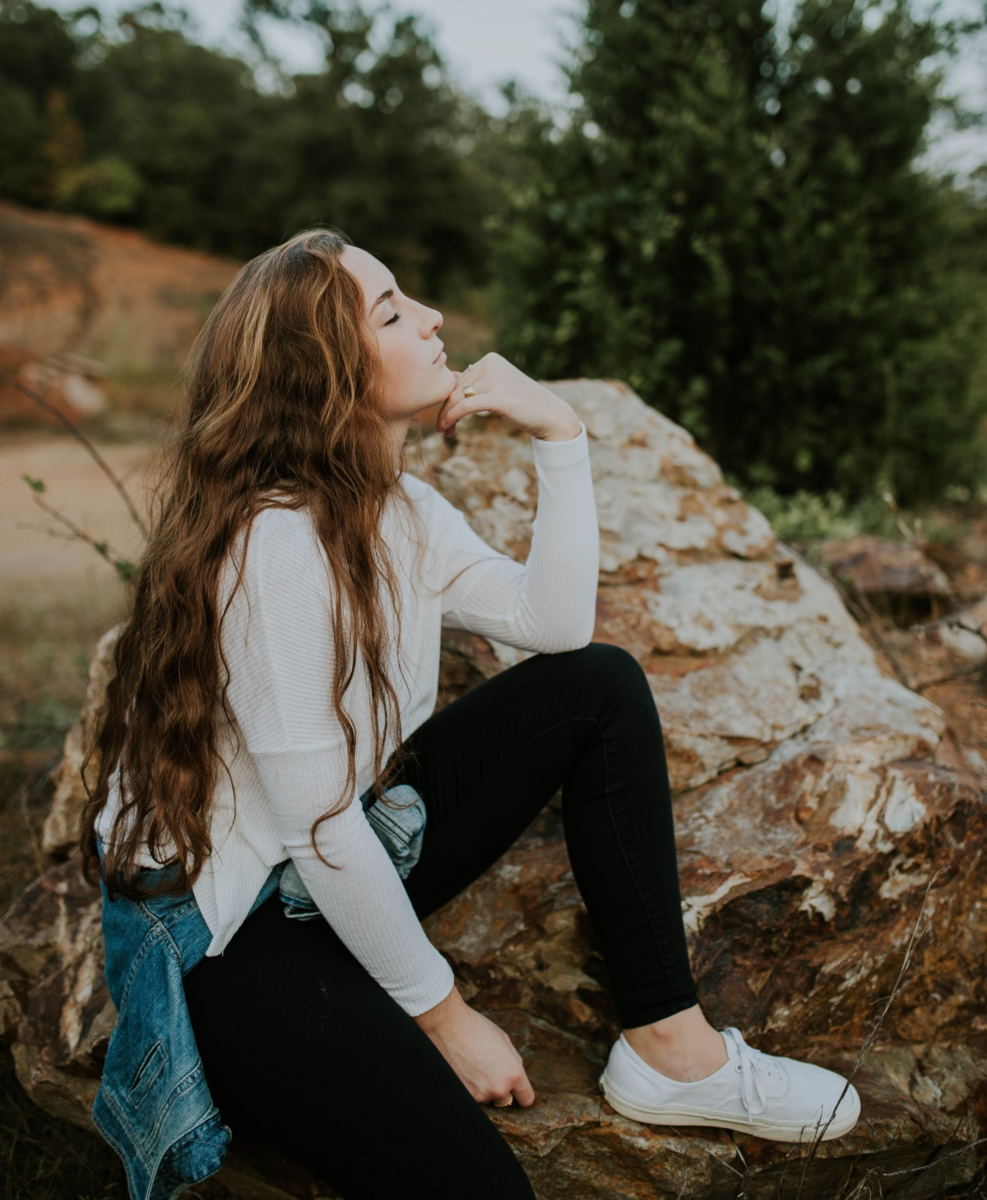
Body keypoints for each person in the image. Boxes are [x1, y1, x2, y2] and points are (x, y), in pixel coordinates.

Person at [83, 229, 859, 1200]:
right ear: (327, 371)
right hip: (229, 932)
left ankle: (672, 1051)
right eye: (392, 311)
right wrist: (444, 1017)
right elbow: (319, 830)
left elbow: (555, 626)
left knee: (597, 688)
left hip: (327, 859)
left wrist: (560, 436)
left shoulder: (399, 509)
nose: (433, 318)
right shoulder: (272, 546)